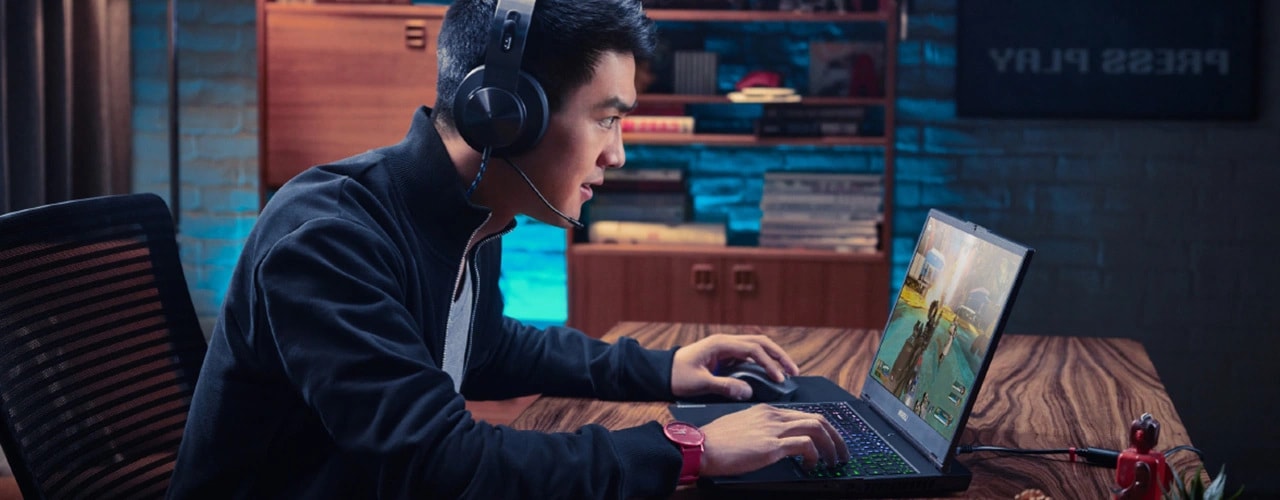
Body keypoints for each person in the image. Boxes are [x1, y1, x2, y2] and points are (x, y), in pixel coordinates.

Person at [167, 0, 848, 498]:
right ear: (506, 113)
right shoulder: (328, 241)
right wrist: (689, 447)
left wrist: (664, 370)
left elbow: (484, 347)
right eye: (607, 118)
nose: (618, 152)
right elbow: (442, 465)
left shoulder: (472, 213)